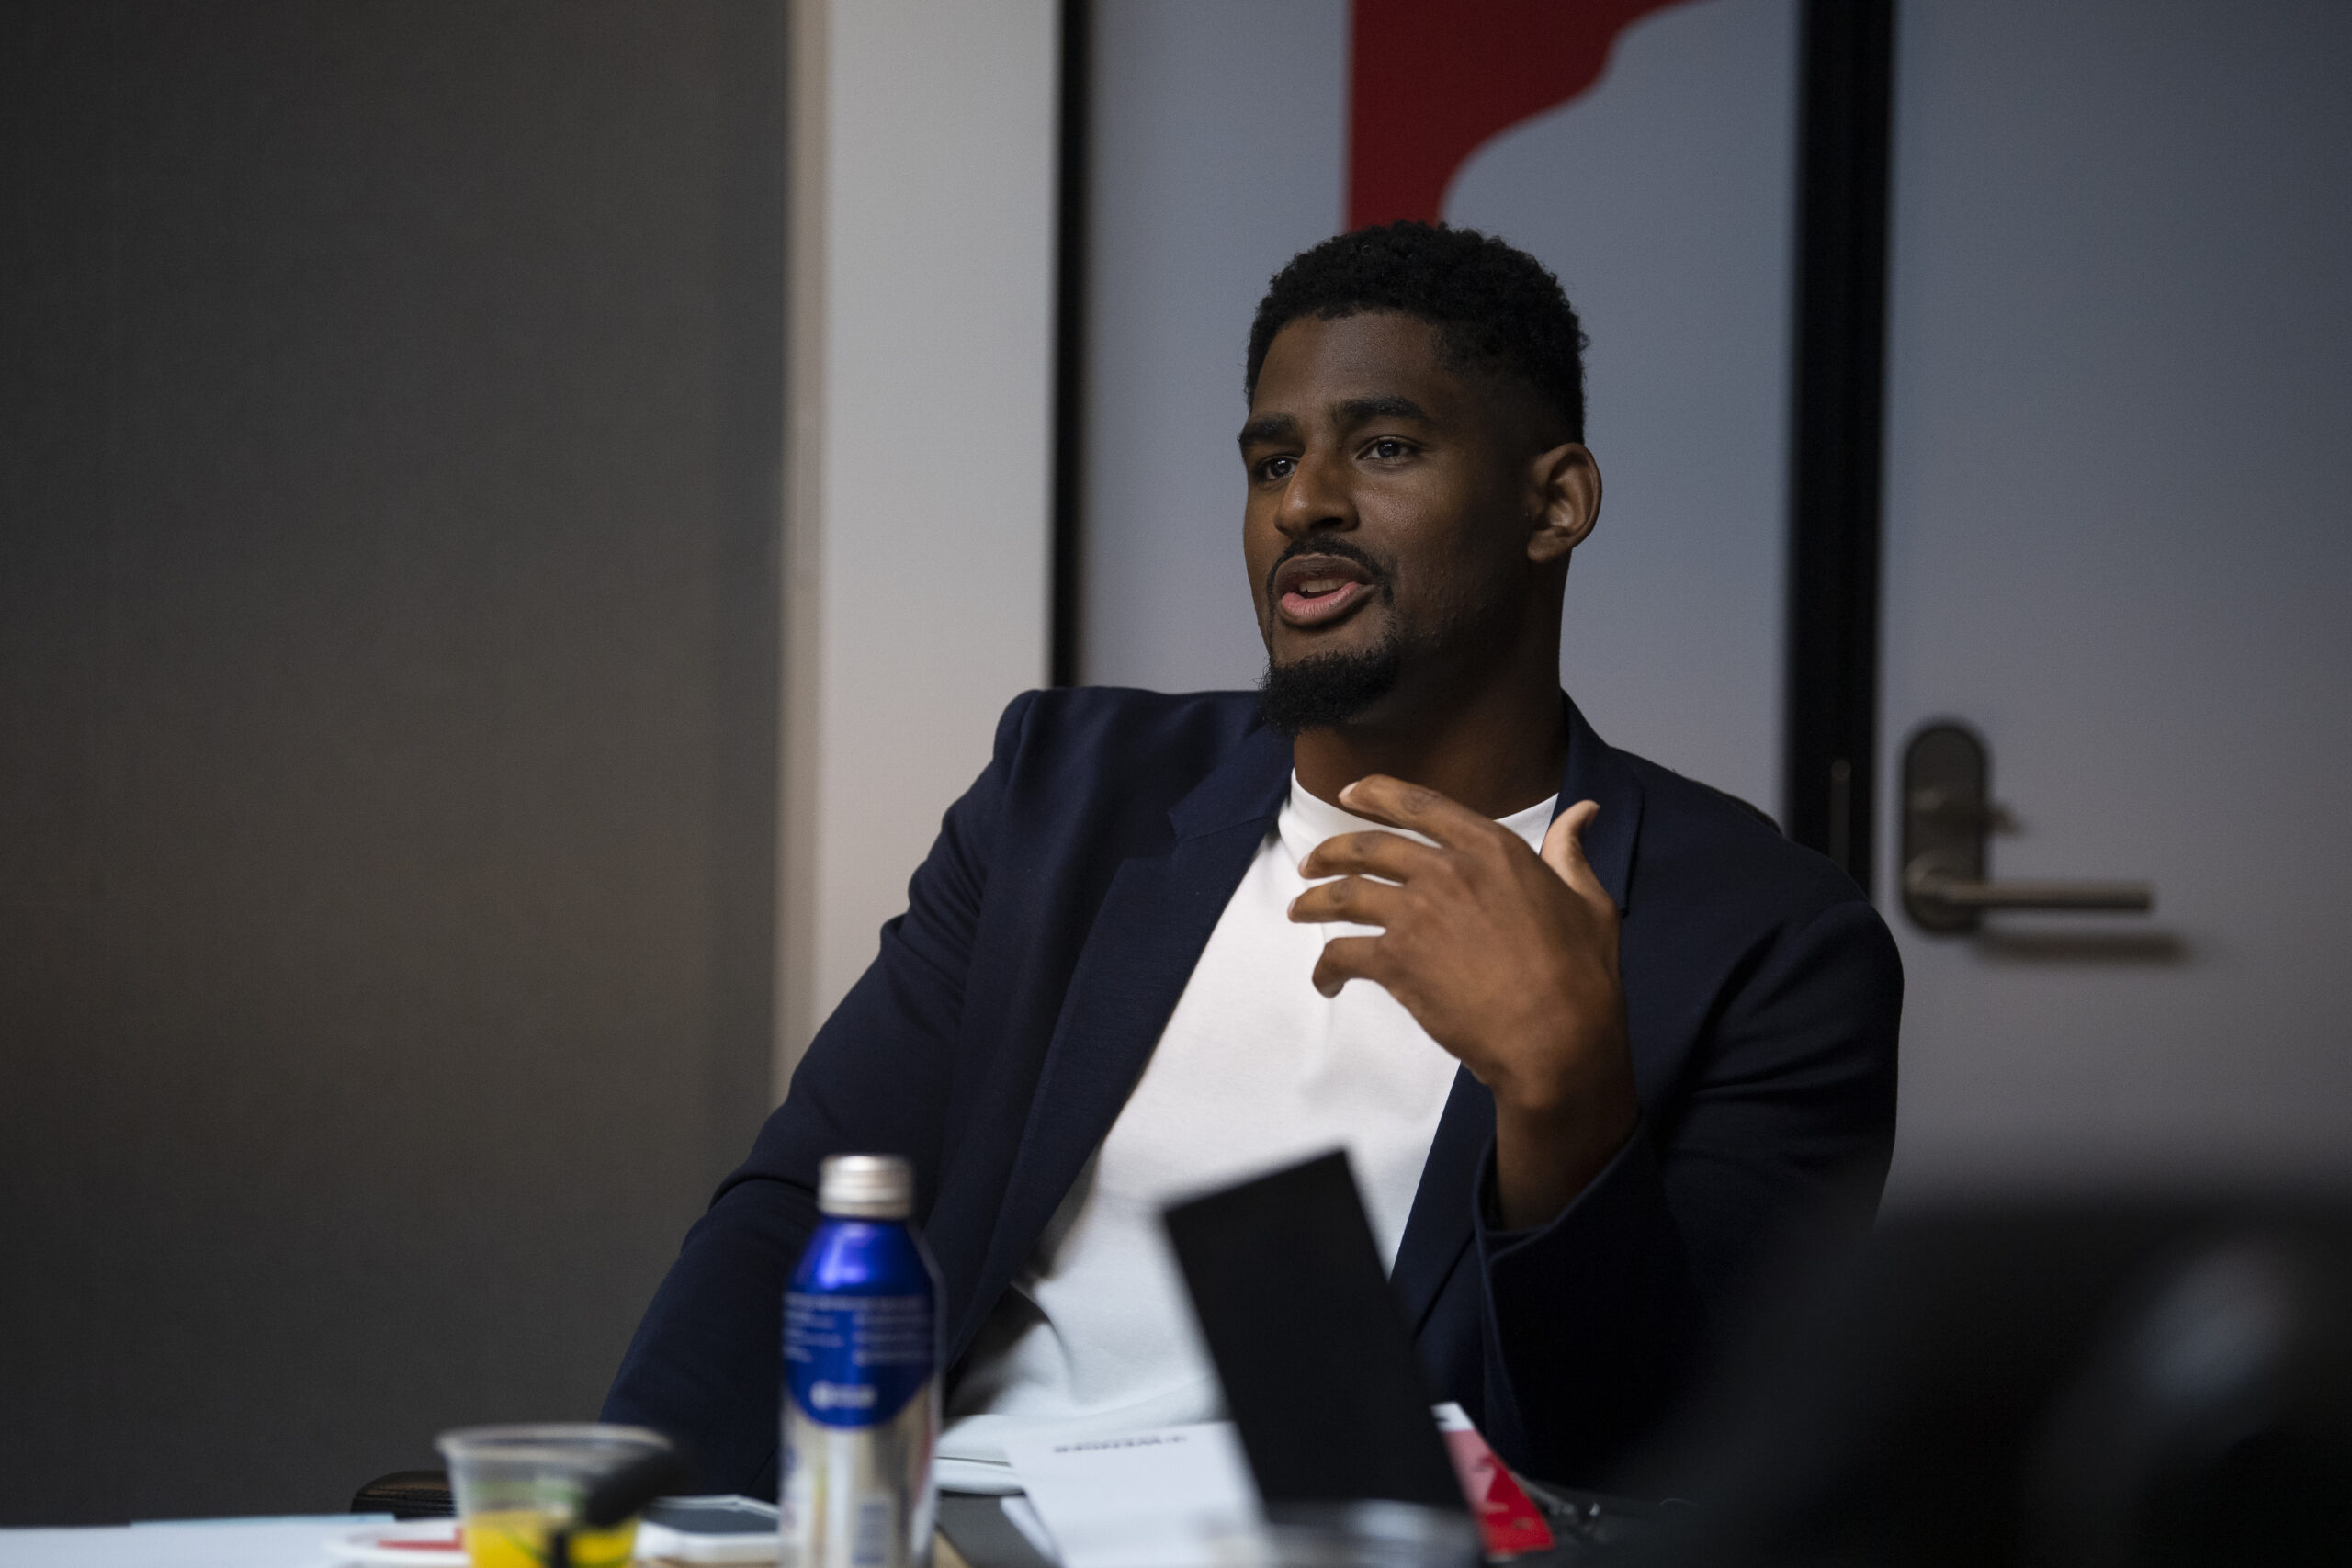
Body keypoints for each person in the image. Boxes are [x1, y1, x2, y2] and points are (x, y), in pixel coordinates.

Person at [603, 221, 1902, 1495]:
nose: (1305, 502)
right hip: (959, 1527)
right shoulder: (1066, 795)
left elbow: (1677, 1471)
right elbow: (804, 1214)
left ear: (1553, 504)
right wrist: (632, 1518)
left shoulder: (1770, 945)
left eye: (1384, 446)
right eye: (1270, 458)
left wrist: (1566, 1093)